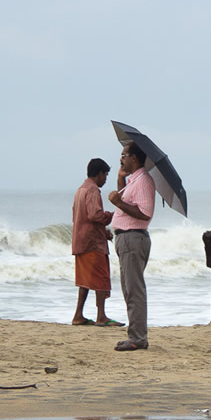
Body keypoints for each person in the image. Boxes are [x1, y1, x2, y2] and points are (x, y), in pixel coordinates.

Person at [107, 142, 155, 351]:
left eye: (124, 155)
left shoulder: (143, 181)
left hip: (133, 238)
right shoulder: (133, 181)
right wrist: (120, 179)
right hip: (127, 239)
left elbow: (145, 213)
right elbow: (127, 201)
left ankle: (137, 338)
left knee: (134, 289)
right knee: (128, 288)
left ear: (134, 157)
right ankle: (135, 335)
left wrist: (117, 203)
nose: (121, 158)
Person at [71, 158, 122, 327]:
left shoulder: (80, 190)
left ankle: (78, 315)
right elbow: (95, 215)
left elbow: (80, 217)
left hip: (81, 241)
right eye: (105, 175)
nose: (106, 179)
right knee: (101, 278)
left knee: (85, 280)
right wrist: (112, 215)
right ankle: (101, 316)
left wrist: (102, 231)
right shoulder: (93, 190)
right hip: (93, 243)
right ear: (99, 174)